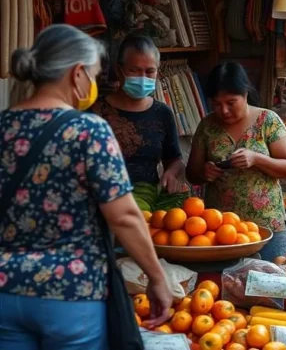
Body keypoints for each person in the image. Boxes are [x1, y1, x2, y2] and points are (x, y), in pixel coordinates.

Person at [1, 24, 174, 348]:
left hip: (5, 292)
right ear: (77, 73)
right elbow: (123, 216)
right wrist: (156, 277)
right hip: (71, 293)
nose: (93, 84)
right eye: (93, 75)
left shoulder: (3, 126)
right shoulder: (88, 130)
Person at [186, 62, 286, 261]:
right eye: (217, 104)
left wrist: (257, 159)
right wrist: (205, 172)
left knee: (269, 285)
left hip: (266, 228)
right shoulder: (207, 126)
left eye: (231, 102)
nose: (224, 110)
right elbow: (191, 173)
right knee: (223, 288)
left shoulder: (267, 121)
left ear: (245, 95)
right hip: (219, 230)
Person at [91, 32, 185, 191]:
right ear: (118, 69)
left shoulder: (162, 113)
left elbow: (175, 160)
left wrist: (171, 173)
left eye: (150, 71)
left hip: (148, 203)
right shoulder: (94, 112)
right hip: (101, 204)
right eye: (134, 70)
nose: (143, 77)